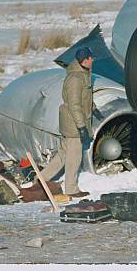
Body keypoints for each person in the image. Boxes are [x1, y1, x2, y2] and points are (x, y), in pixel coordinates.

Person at [39, 47, 95, 198]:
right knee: (73, 157)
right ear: (84, 60)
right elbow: (74, 104)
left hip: (73, 121)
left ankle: (41, 179)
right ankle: (71, 188)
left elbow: (84, 98)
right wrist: (81, 126)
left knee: (63, 155)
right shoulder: (76, 79)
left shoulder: (83, 74)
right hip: (74, 123)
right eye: (91, 58)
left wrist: (93, 108)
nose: (93, 60)